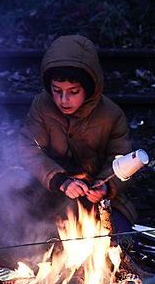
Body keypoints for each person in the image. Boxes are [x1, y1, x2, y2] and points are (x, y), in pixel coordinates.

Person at [18, 34, 138, 233]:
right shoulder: (42, 107)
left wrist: (105, 187)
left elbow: (122, 160)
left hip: (101, 201)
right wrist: (60, 181)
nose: (64, 100)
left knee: (122, 240)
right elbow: (28, 149)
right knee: (26, 238)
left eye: (73, 92)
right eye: (57, 90)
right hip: (50, 195)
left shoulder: (111, 115)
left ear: (89, 88)